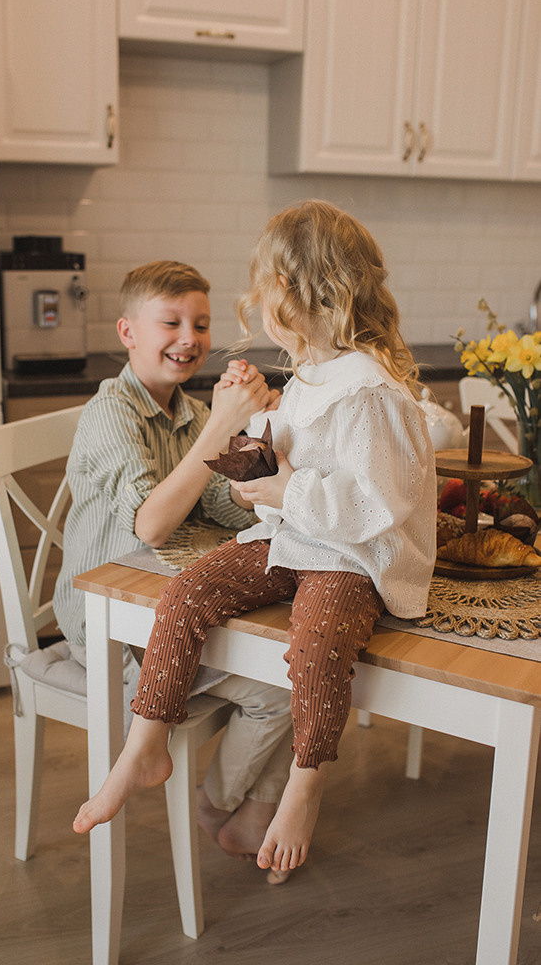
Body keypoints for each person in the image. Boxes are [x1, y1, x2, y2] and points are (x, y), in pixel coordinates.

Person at [71, 201, 437, 879]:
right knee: (183, 594)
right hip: (297, 538)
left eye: (264, 290)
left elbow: (376, 505)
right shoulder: (309, 376)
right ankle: (145, 743)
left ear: (302, 296)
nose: (255, 304)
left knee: (316, 641)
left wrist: (281, 486)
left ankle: (305, 784)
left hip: (351, 556)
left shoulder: (367, 392)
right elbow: (288, 466)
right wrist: (253, 459)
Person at [53, 259, 294, 872]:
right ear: (127, 332)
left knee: (297, 670)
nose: (190, 337)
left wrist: (252, 440)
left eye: (202, 323)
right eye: (171, 321)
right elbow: (152, 524)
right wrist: (221, 424)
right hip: (109, 628)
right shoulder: (112, 414)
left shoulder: (187, 413)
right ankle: (216, 806)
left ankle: (242, 809)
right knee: (279, 687)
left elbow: (222, 506)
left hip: (166, 611)